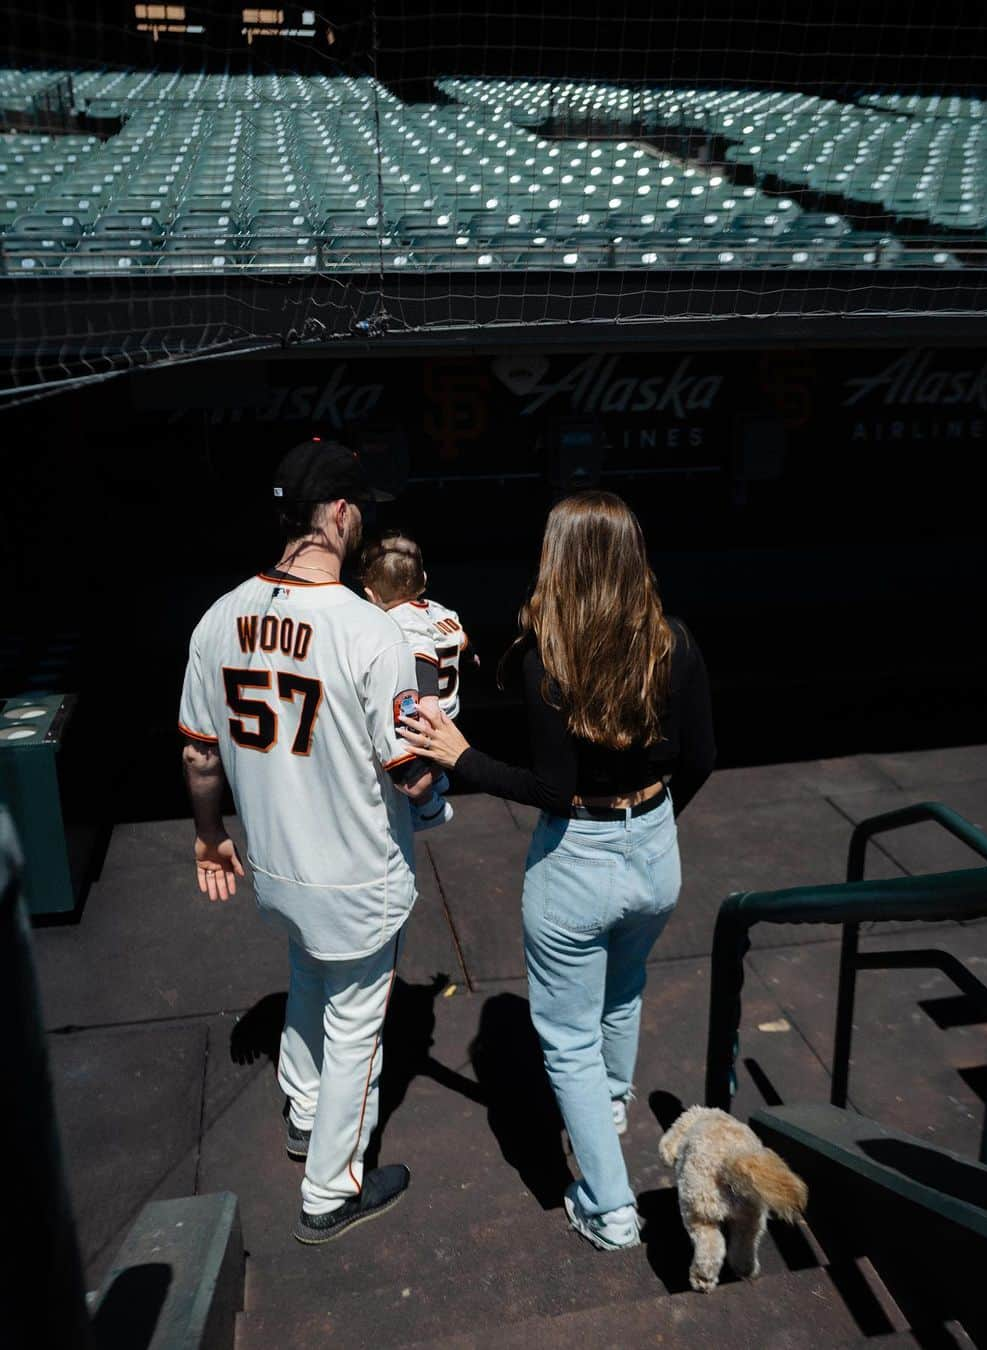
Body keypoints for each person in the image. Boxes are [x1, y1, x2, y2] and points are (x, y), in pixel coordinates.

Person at [400, 490, 715, 1251]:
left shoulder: (551, 657)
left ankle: (610, 1209)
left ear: (560, 562)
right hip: (654, 851)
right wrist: (647, 831)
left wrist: (459, 756)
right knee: (626, 984)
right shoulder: (674, 640)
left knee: (566, 1038)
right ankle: (609, 1103)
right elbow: (702, 759)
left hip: (577, 861)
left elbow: (551, 792)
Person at [178, 438, 434, 1245]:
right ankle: (330, 1189)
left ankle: (302, 1113)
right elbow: (410, 777)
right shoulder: (371, 632)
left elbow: (197, 753)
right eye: (359, 511)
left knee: (304, 974)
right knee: (358, 1021)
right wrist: (442, 757)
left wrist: (210, 835)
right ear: (337, 513)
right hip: (355, 875)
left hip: (276, 869)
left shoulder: (217, 617)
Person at [358, 528, 476, 831]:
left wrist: (428, 704)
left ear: (371, 595)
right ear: (423, 580)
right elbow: (461, 641)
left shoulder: (401, 621)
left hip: (428, 712)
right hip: (451, 710)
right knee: (430, 763)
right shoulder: (441, 611)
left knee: (411, 776)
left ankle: (430, 809)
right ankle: (439, 778)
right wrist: (472, 658)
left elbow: (423, 656)